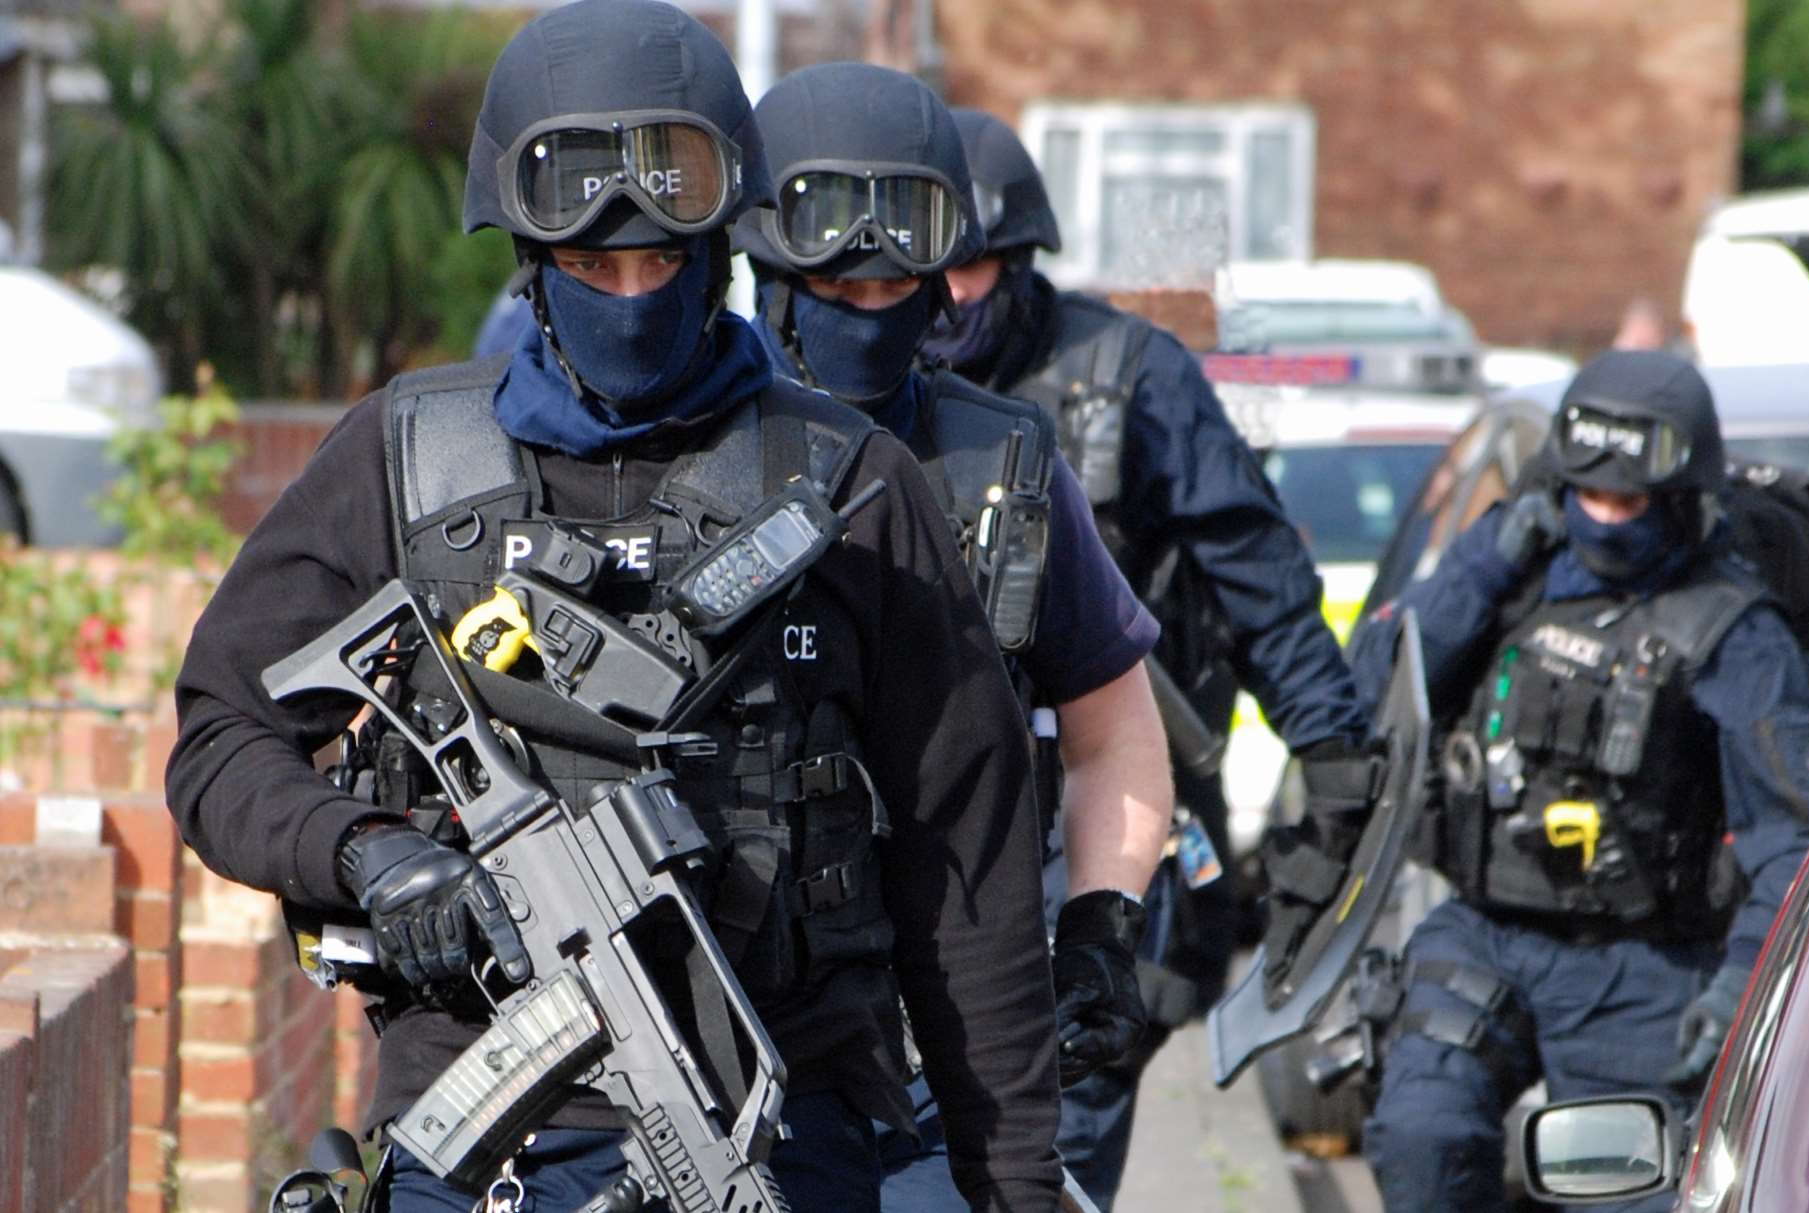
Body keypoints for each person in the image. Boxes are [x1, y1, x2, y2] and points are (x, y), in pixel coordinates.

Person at [163, 5, 1067, 1210]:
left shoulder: (850, 484)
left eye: (663, 264)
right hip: (483, 1128)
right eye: (595, 267)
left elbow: (972, 863)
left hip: (785, 1129)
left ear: (720, 257)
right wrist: (367, 855)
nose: (632, 294)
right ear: (534, 267)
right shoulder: (407, 462)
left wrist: (1009, 1183)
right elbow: (220, 736)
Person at [729, 63, 1174, 1210]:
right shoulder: (680, 452)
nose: (866, 310)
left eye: (895, 285)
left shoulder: (1006, 467)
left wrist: (1102, 921)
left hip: (956, 1041)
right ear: (770, 268)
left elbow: (1113, 730)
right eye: (837, 281)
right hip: (731, 1033)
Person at [921, 107, 1378, 1207]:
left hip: (1104, 807)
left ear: (1019, 257)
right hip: (918, 825)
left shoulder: (1131, 379)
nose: (941, 298)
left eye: (969, 267)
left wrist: (1332, 758)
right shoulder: (840, 379)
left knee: (1052, 1137)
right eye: (916, 268)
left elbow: (1256, 571)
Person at [1349, 349, 1809, 1212]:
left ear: (1679, 500)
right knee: (1423, 1133)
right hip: (1484, 932)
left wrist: (1739, 994)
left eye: (1628, 502)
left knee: (1620, 1187)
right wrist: (1480, 562)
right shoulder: (1513, 568)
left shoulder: (1735, 632)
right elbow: (1376, 685)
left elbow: (1791, 842)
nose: (1602, 519)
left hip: (1644, 965)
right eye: (1585, 495)